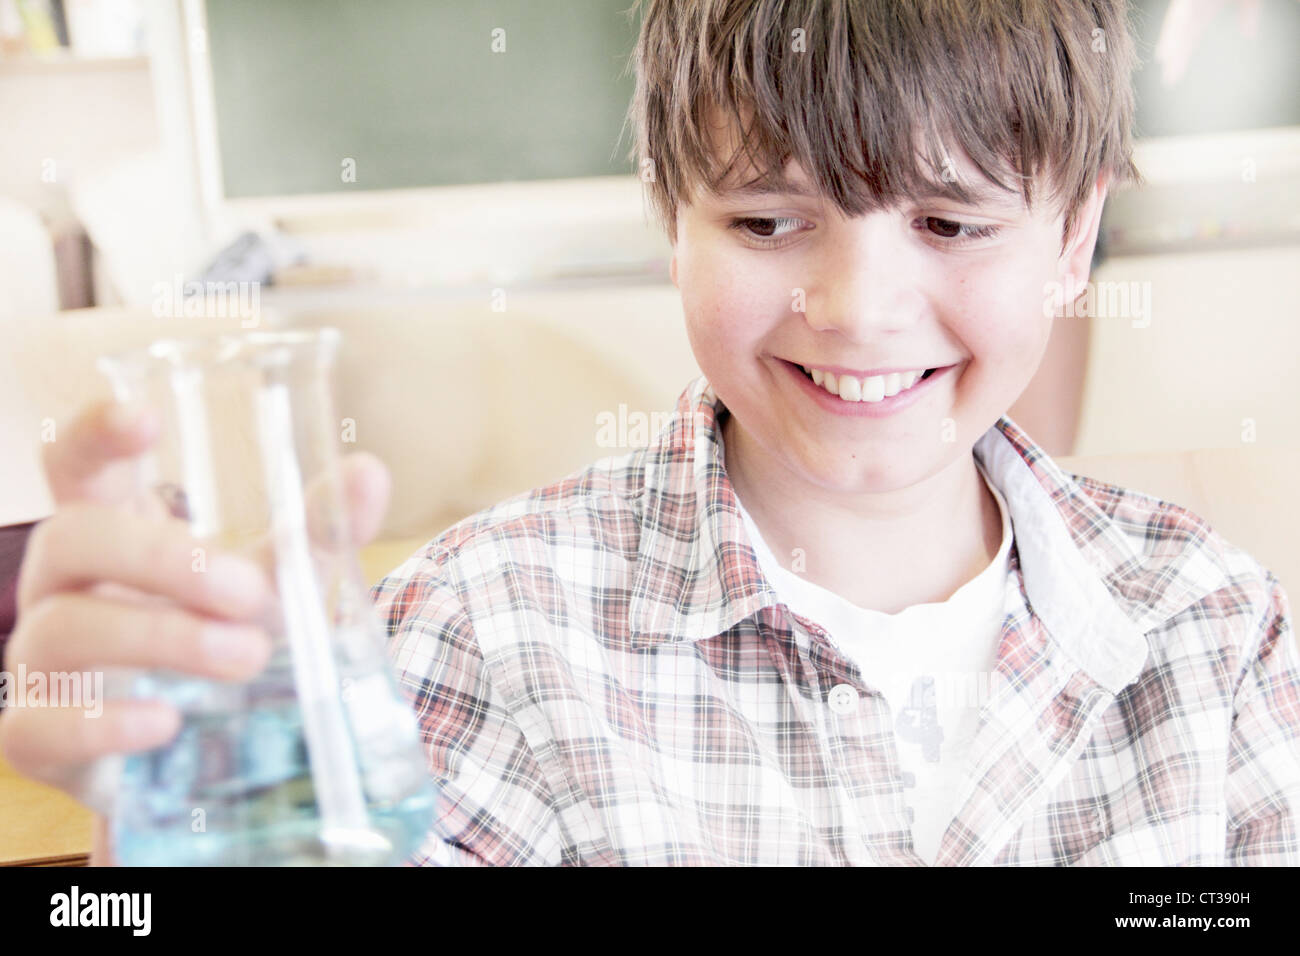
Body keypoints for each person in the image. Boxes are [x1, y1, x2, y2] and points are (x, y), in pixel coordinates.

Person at [3, 0, 1296, 866]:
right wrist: (195, 825)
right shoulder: (485, 630)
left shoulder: (1211, 631)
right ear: (669, 212)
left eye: (951, 226)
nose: (854, 311)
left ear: (1075, 236)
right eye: (764, 222)